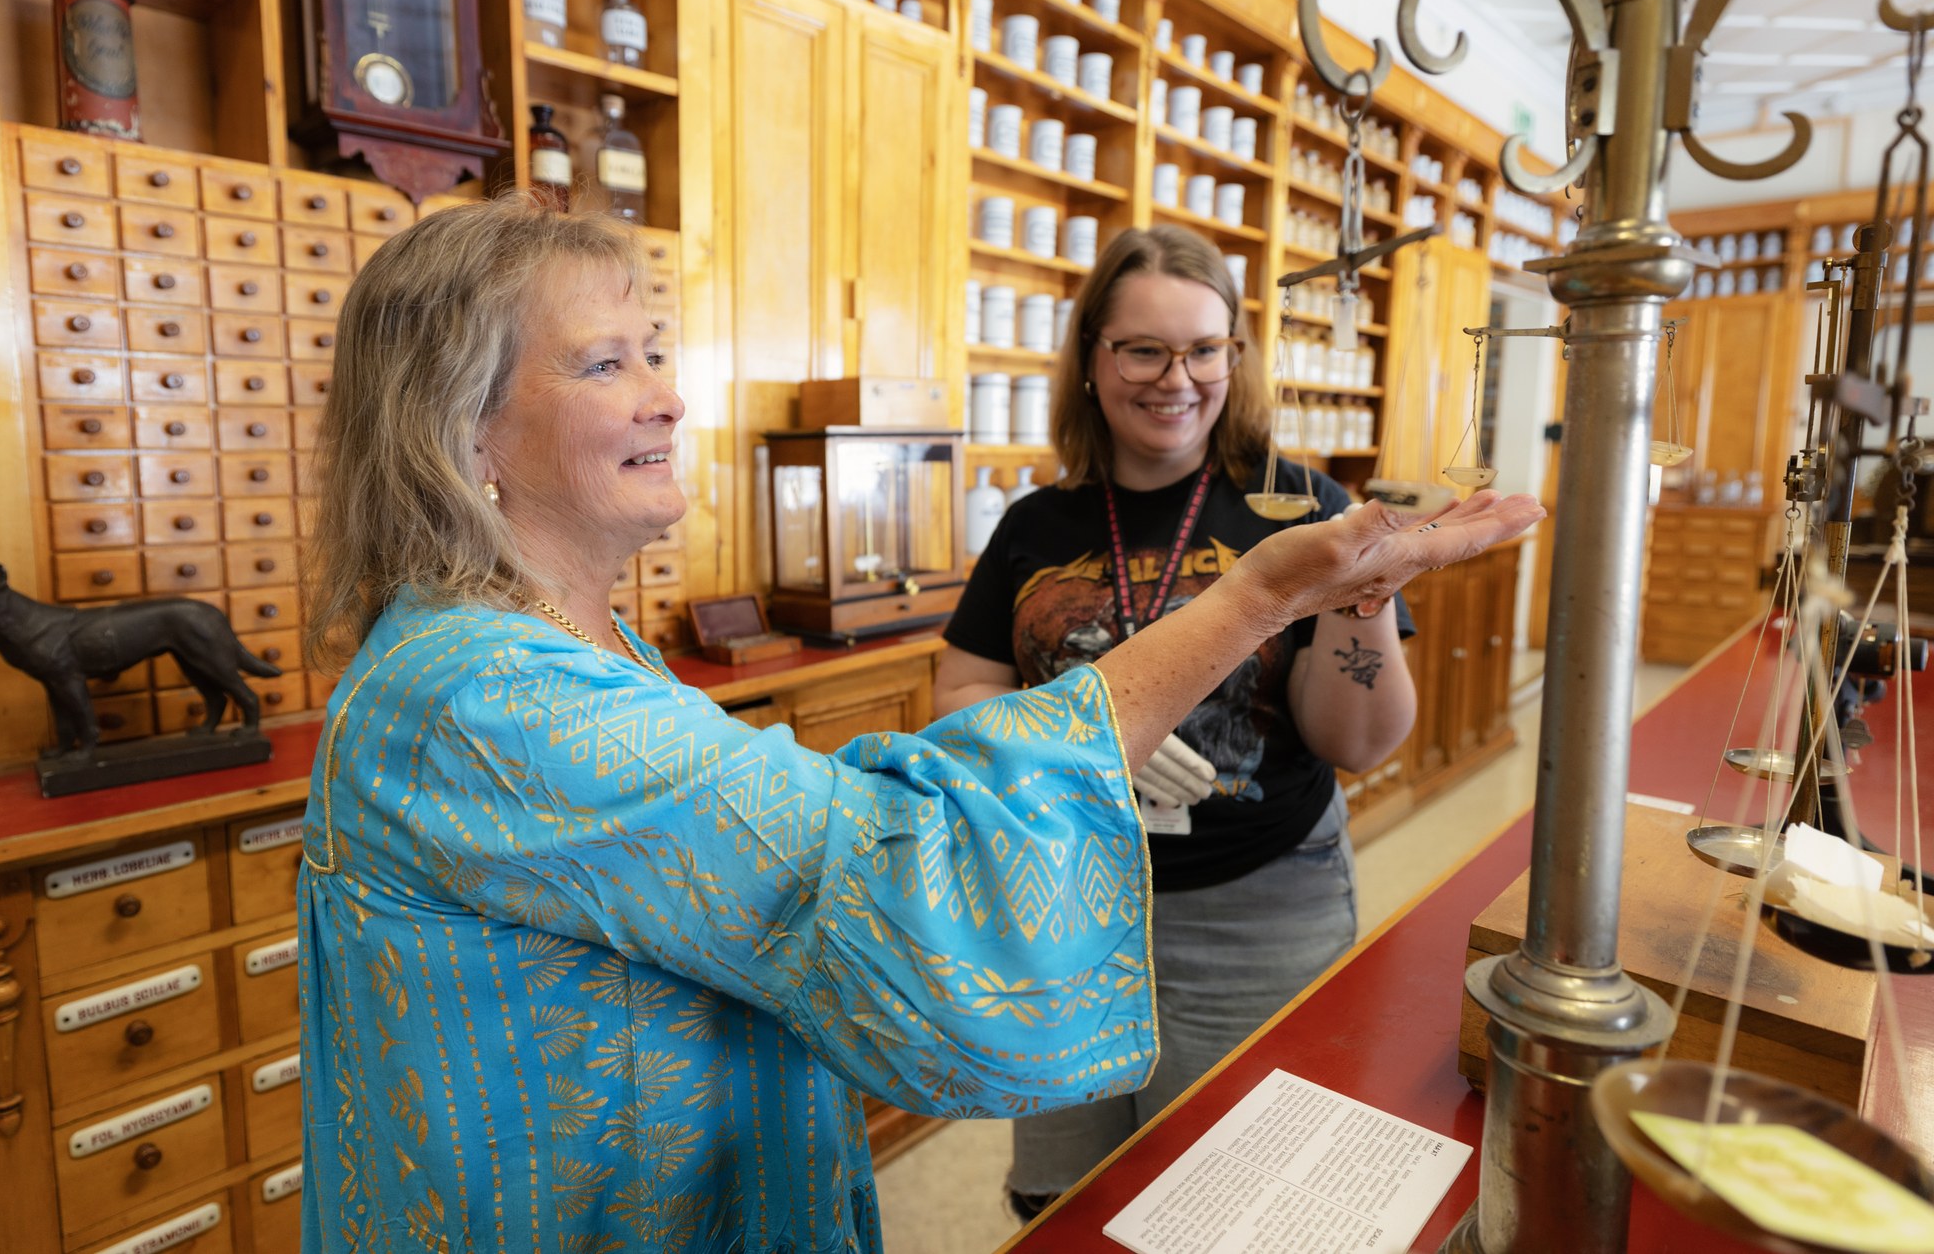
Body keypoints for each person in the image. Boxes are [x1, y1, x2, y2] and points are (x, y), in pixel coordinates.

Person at [295, 194, 1538, 1253]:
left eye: (654, 350)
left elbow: (784, 846)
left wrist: (1323, 597)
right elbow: (894, 860)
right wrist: (1258, 595)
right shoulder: (480, 696)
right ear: (462, 433)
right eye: (604, 362)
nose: (669, 398)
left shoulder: (573, 641)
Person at [934, 225, 1429, 1220]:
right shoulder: (1036, 522)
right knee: (1062, 1193)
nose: (1176, 377)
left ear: (1232, 360)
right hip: (1062, 909)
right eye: (1142, 349)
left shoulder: (1301, 509)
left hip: (1250, 911)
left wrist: (1361, 596)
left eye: (1203, 349)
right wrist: (1078, 731)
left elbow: (1358, 742)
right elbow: (959, 696)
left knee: (1230, 1199)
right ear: (1091, 358)